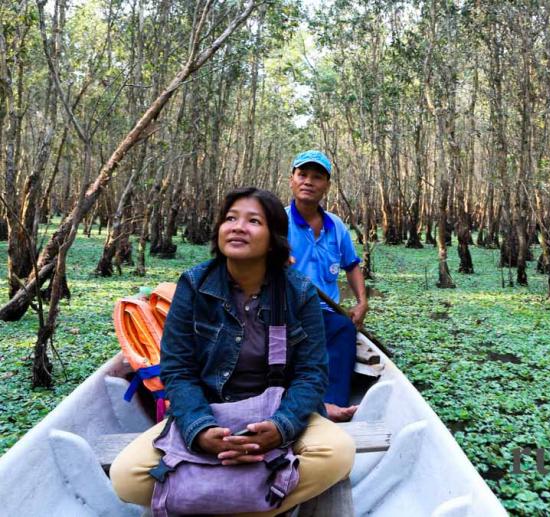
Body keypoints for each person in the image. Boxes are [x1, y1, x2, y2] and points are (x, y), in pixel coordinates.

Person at [110, 187, 355, 516]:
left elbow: (312, 373)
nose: (238, 227)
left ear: (274, 239)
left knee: (338, 452)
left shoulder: (300, 292)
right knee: (126, 477)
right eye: (230, 218)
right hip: (210, 412)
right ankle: (262, 500)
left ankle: (211, 501)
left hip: (278, 409)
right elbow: (178, 371)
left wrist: (281, 427)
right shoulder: (194, 286)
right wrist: (201, 430)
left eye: (254, 221)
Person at [286, 150, 367, 422]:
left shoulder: (337, 226)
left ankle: (332, 403)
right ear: (292, 180)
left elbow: (352, 265)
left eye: (317, 177)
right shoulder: (275, 221)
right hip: (285, 310)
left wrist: (361, 302)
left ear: (327, 185)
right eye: (303, 175)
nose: (308, 181)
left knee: (343, 328)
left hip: (324, 313)